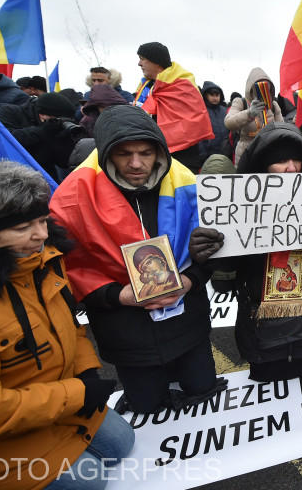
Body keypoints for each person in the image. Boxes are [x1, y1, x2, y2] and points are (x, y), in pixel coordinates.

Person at [0, 161, 134, 487]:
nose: (41, 235)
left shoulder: (46, 261)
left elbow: (72, 322)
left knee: (122, 443)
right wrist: (77, 393)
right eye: (23, 227)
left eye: (42, 220)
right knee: (90, 481)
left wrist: (86, 372)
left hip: (58, 403)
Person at [50, 104, 220, 414]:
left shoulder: (188, 183)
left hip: (186, 318)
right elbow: (68, 267)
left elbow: (212, 248)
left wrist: (189, 279)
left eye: (145, 152)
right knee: (147, 405)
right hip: (125, 328)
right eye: (124, 154)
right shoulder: (71, 199)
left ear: (159, 151)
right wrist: (119, 296)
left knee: (202, 389)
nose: (136, 163)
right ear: (106, 153)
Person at [194, 122, 302, 382]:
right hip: (262, 334)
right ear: (262, 164)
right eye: (280, 161)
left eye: (297, 159)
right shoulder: (236, 205)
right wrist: (207, 252)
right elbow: (227, 268)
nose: (291, 168)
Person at [134, 41, 214, 172]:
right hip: (152, 155)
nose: (139, 63)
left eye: (143, 59)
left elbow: (192, 123)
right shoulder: (146, 86)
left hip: (183, 158)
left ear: (156, 61)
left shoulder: (182, 86)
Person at [225, 67, 284, 166]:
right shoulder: (241, 102)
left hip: (269, 154)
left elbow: (282, 129)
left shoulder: (273, 105)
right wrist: (249, 113)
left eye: (266, 87)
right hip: (246, 154)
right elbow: (228, 123)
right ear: (251, 89)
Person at [198, 80, 229, 161]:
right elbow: (198, 134)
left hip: (225, 154)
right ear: (206, 95)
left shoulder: (225, 111)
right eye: (212, 95)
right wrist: (202, 154)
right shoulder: (201, 110)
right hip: (207, 156)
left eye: (217, 95)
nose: (215, 98)